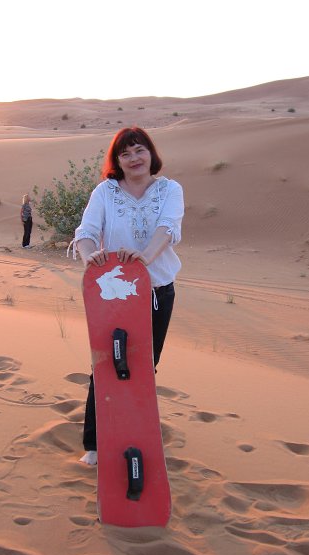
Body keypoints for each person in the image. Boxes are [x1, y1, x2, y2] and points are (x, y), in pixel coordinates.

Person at [73, 127, 184, 465]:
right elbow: (87, 232)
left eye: (139, 150)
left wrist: (144, 259)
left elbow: (168, 227)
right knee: (105, 364)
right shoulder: (105, 192)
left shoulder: (169, 189)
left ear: (151, 153)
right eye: (125, 154)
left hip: (156, 291)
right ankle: (95, 444)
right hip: (113, 294)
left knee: (144, 367)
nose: (134, 158)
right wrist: (90, 257)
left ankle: (135, 434)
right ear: (117, 161)